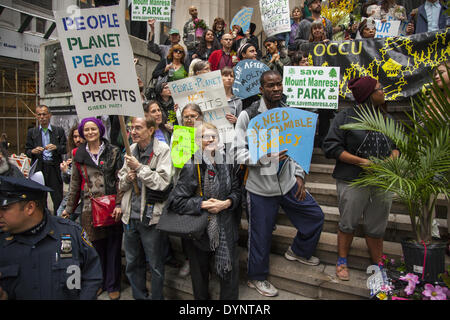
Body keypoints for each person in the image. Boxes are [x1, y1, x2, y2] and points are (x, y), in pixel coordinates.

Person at [232, 70, 325, 297]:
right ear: (261, 89)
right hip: (260, 188)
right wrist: (264, 158)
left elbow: (298, 149)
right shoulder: (248, 115)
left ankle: (298, 251)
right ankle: (257, 278)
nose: (275, 89)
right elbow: (236, 153)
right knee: (261, 235)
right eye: (270, 85)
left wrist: (300, 175)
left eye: (278, 84)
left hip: (288, 182)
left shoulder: (290, 113)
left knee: (315, 216)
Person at [322, 76, 399, 281]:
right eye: (379, 88)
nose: (383, 91)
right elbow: (331, 147)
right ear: (368, 95)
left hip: (381, 181)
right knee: (348, 222)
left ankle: (377, 264)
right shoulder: (345, 117)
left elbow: (397, 146)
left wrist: (391, 160)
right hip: (352, 180)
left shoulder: (387, 119)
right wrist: (362, 162)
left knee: (377, 225)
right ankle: (342, 260)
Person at [167, 122, 242, 300]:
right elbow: (176, 201)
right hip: (200, 230)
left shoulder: (226, 161)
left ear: (218, 139)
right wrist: (204, 204)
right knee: (199, 279)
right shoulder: (192, 165)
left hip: (225, 226)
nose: (209, 140)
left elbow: (237, 191)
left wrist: (226, 203)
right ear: (197, 141)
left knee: (229, 275)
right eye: (204, 137)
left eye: (212, 136)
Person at [0, 175, 103, 299]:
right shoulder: (3, 244)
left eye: (4, 208)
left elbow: (92, 275)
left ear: (30, 208)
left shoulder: (71, 233)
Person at [61, 118, 123, 300]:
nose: (90, 132)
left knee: (113, 247)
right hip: (89, 208)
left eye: (93, 129)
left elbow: (120, 179)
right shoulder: (78, 154)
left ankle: (113, 284)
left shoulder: (113, 151)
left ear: (100, 130)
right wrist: (69, 208)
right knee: (96, 249)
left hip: (111, 207)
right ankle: (100, 282)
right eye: (86, 130)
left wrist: (119, 203)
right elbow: (74, 183)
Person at [118, 117, 172, 300]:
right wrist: (128, 178)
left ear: (150, 130)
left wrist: (140, 168)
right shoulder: (130, 150)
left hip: (151, 217)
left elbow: (163, 182)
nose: (133, 131)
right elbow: (121, 182)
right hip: (129, 216)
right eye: (132, 128)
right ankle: (139, 296)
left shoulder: (162, 151)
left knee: (155, 265)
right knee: (132, 263)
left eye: (138, 128)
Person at [25, 105, 67, 214]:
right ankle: (43, 219)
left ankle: (58, 219)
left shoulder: (58, 131)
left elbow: (65, 148)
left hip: (54, 167)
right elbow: (27, 150)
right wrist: (33, 151)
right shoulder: (32, 132)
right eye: (39, 114)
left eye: (44, 114)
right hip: (39, 168)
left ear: (49, 115)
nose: (42, 117)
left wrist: (56, 147)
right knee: (40, 197)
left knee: (57, 196)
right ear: (36, 116)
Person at [57, 124, 85, 220]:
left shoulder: (88, 153)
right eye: (75, 137)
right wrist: (64, 170)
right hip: (70, 198)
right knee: (60, 216)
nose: (78, 140)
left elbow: (82, 177)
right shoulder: (72, 153)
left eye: (80, 136)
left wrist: (68, 171)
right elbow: (67, 180)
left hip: (83, 199)